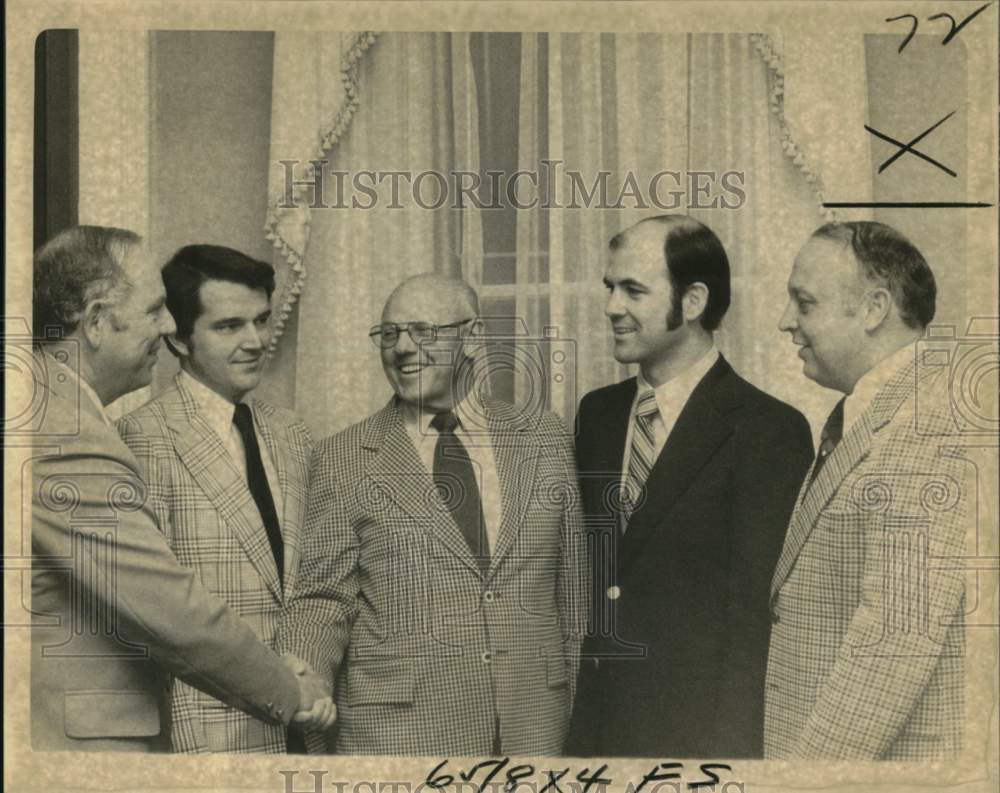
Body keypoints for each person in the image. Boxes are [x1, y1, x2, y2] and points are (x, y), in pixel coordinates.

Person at [29, 226, 333, 752]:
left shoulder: (45, 408)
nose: (168, 326)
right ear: (98, 321)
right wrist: (289, 688)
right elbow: (164, 605)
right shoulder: (66, 434)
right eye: (154, 311)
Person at [276, 273, 586, 754]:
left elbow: (574, 594)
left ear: (473, 337)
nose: (402, 347)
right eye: (390, 334)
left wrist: (583, 716)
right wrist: (305, 676)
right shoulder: (343, 457)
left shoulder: (545, 439)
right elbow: (322, 597)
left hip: (535, 730)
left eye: (423, 331)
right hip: (399, 736)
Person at [566, 215, 814, 758]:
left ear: (694, 300)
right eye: (610, 288)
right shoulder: (597, 415)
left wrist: (730, 761)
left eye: (633, 289)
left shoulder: (768, 429)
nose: (611, 307)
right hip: (596, 734)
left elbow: (755, 618)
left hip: (698, 741)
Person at [765, 221, 968, 760]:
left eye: (804, 303)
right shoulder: (883, 413)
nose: (786, 322)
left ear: (876, 309)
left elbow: (893, 643)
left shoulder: (927, 426)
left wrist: (807, 777)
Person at [117, 245, 315, 753]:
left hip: (305, 724)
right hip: (207, 733)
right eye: (228, 326)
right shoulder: (139, 439)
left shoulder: (292, 433)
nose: (255, 341)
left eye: (261, 321)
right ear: (180, 340)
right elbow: (150, 615)